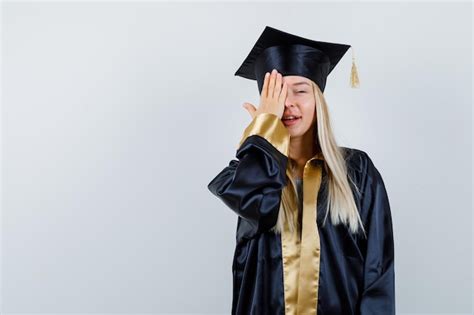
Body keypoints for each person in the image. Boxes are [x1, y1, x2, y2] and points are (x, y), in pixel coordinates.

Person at [207, 26, 395, 315]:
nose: (289, 103)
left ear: (319, 98)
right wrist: (263, 135)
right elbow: (260, 206)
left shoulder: (357, 172)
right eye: (277, 94)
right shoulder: (244, 175)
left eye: (300, 90)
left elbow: (377, 270)